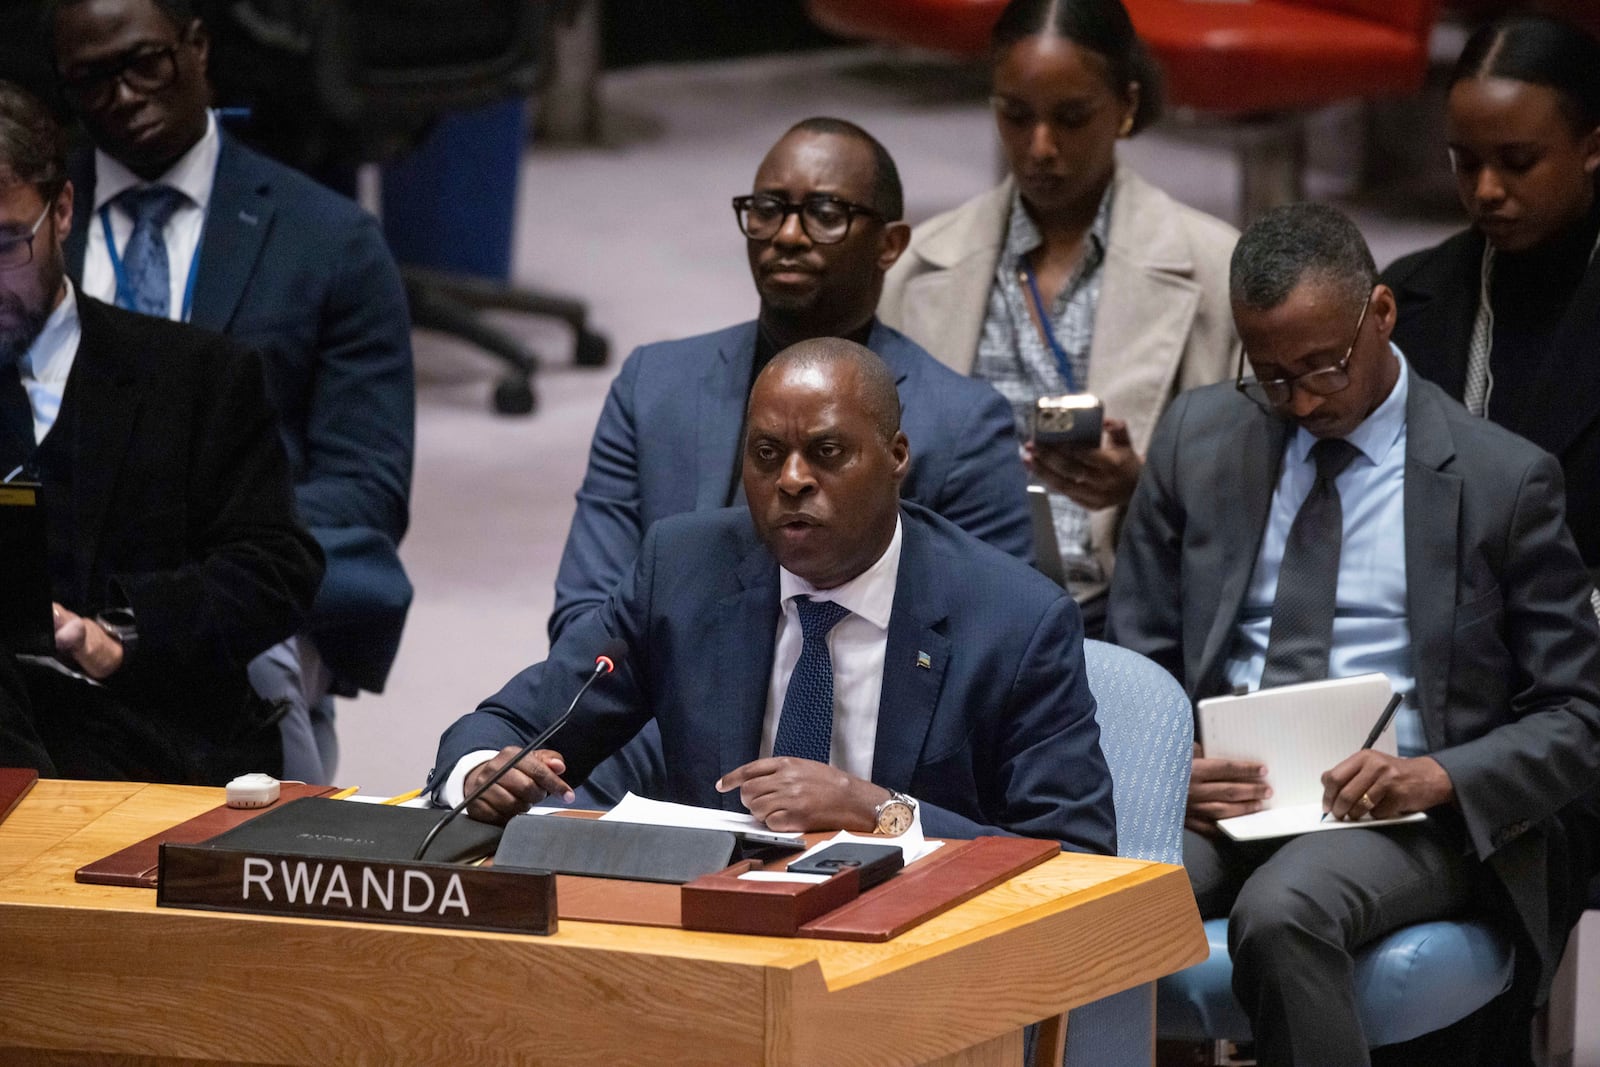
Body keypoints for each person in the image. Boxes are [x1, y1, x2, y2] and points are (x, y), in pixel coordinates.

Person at [1106, 203, 1600, 1065]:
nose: (1300, 400)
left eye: (1322, 368)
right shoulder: (1198, 437)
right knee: (1092, 894)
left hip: (1407, 813)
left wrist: (1438, 775)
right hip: (1228, 800)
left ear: (1380, 313)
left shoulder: (1500, 480)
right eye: (1270, 375)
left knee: (1284, 912)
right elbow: (1135, 656)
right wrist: (1164, 766)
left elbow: (1578, 714)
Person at [430, 339, 1115, 853]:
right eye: (765, 455)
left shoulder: (1014, 620)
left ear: (897, 456)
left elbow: (1076, 854)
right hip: (711, 942)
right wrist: (479, 772)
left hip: (917, 966)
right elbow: (514, 723)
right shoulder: (685, 570)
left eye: (826, 452)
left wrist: (876, 809)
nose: (791, 479)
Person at [544, 117, 1032, 806]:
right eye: (767, 209)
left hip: (858, 765)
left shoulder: (959, 422)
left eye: (826, 214)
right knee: (529, 821)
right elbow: (587, 615)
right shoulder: (656, 385)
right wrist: (692, 727)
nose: (788, 234)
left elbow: (987, 655)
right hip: (651, 731)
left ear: (891, 243)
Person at [48, 0, 415, 783]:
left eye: (145, 63)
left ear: (199, 48)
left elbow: (365, 489)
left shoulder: (329, 240)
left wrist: (194, 591)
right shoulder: (30, 233)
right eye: (92, 80)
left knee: (252, 667)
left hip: (257, 588)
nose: (124, 96)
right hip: (60, 589)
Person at [878, 0, 1238, 635]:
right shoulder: (918, 268)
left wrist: (1143, 487)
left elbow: (1258, 493)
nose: (1039, 147)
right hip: (945, 615)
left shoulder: (1214, 270)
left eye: (1071, 119)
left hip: (1127, 615)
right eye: (1015, 116)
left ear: (1126, 106)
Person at [0, 80, 322, 783]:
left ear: (62, 211)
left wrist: (117, 633)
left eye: (4, 247)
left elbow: (274, 567)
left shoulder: (197, 376)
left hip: (146, 737)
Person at [1383, 14, 1600, 611]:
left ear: (1593, 148)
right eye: (1465, 161)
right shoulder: (1404, 299)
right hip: (1441, 634)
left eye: (1518, 161)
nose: (1484, 190)